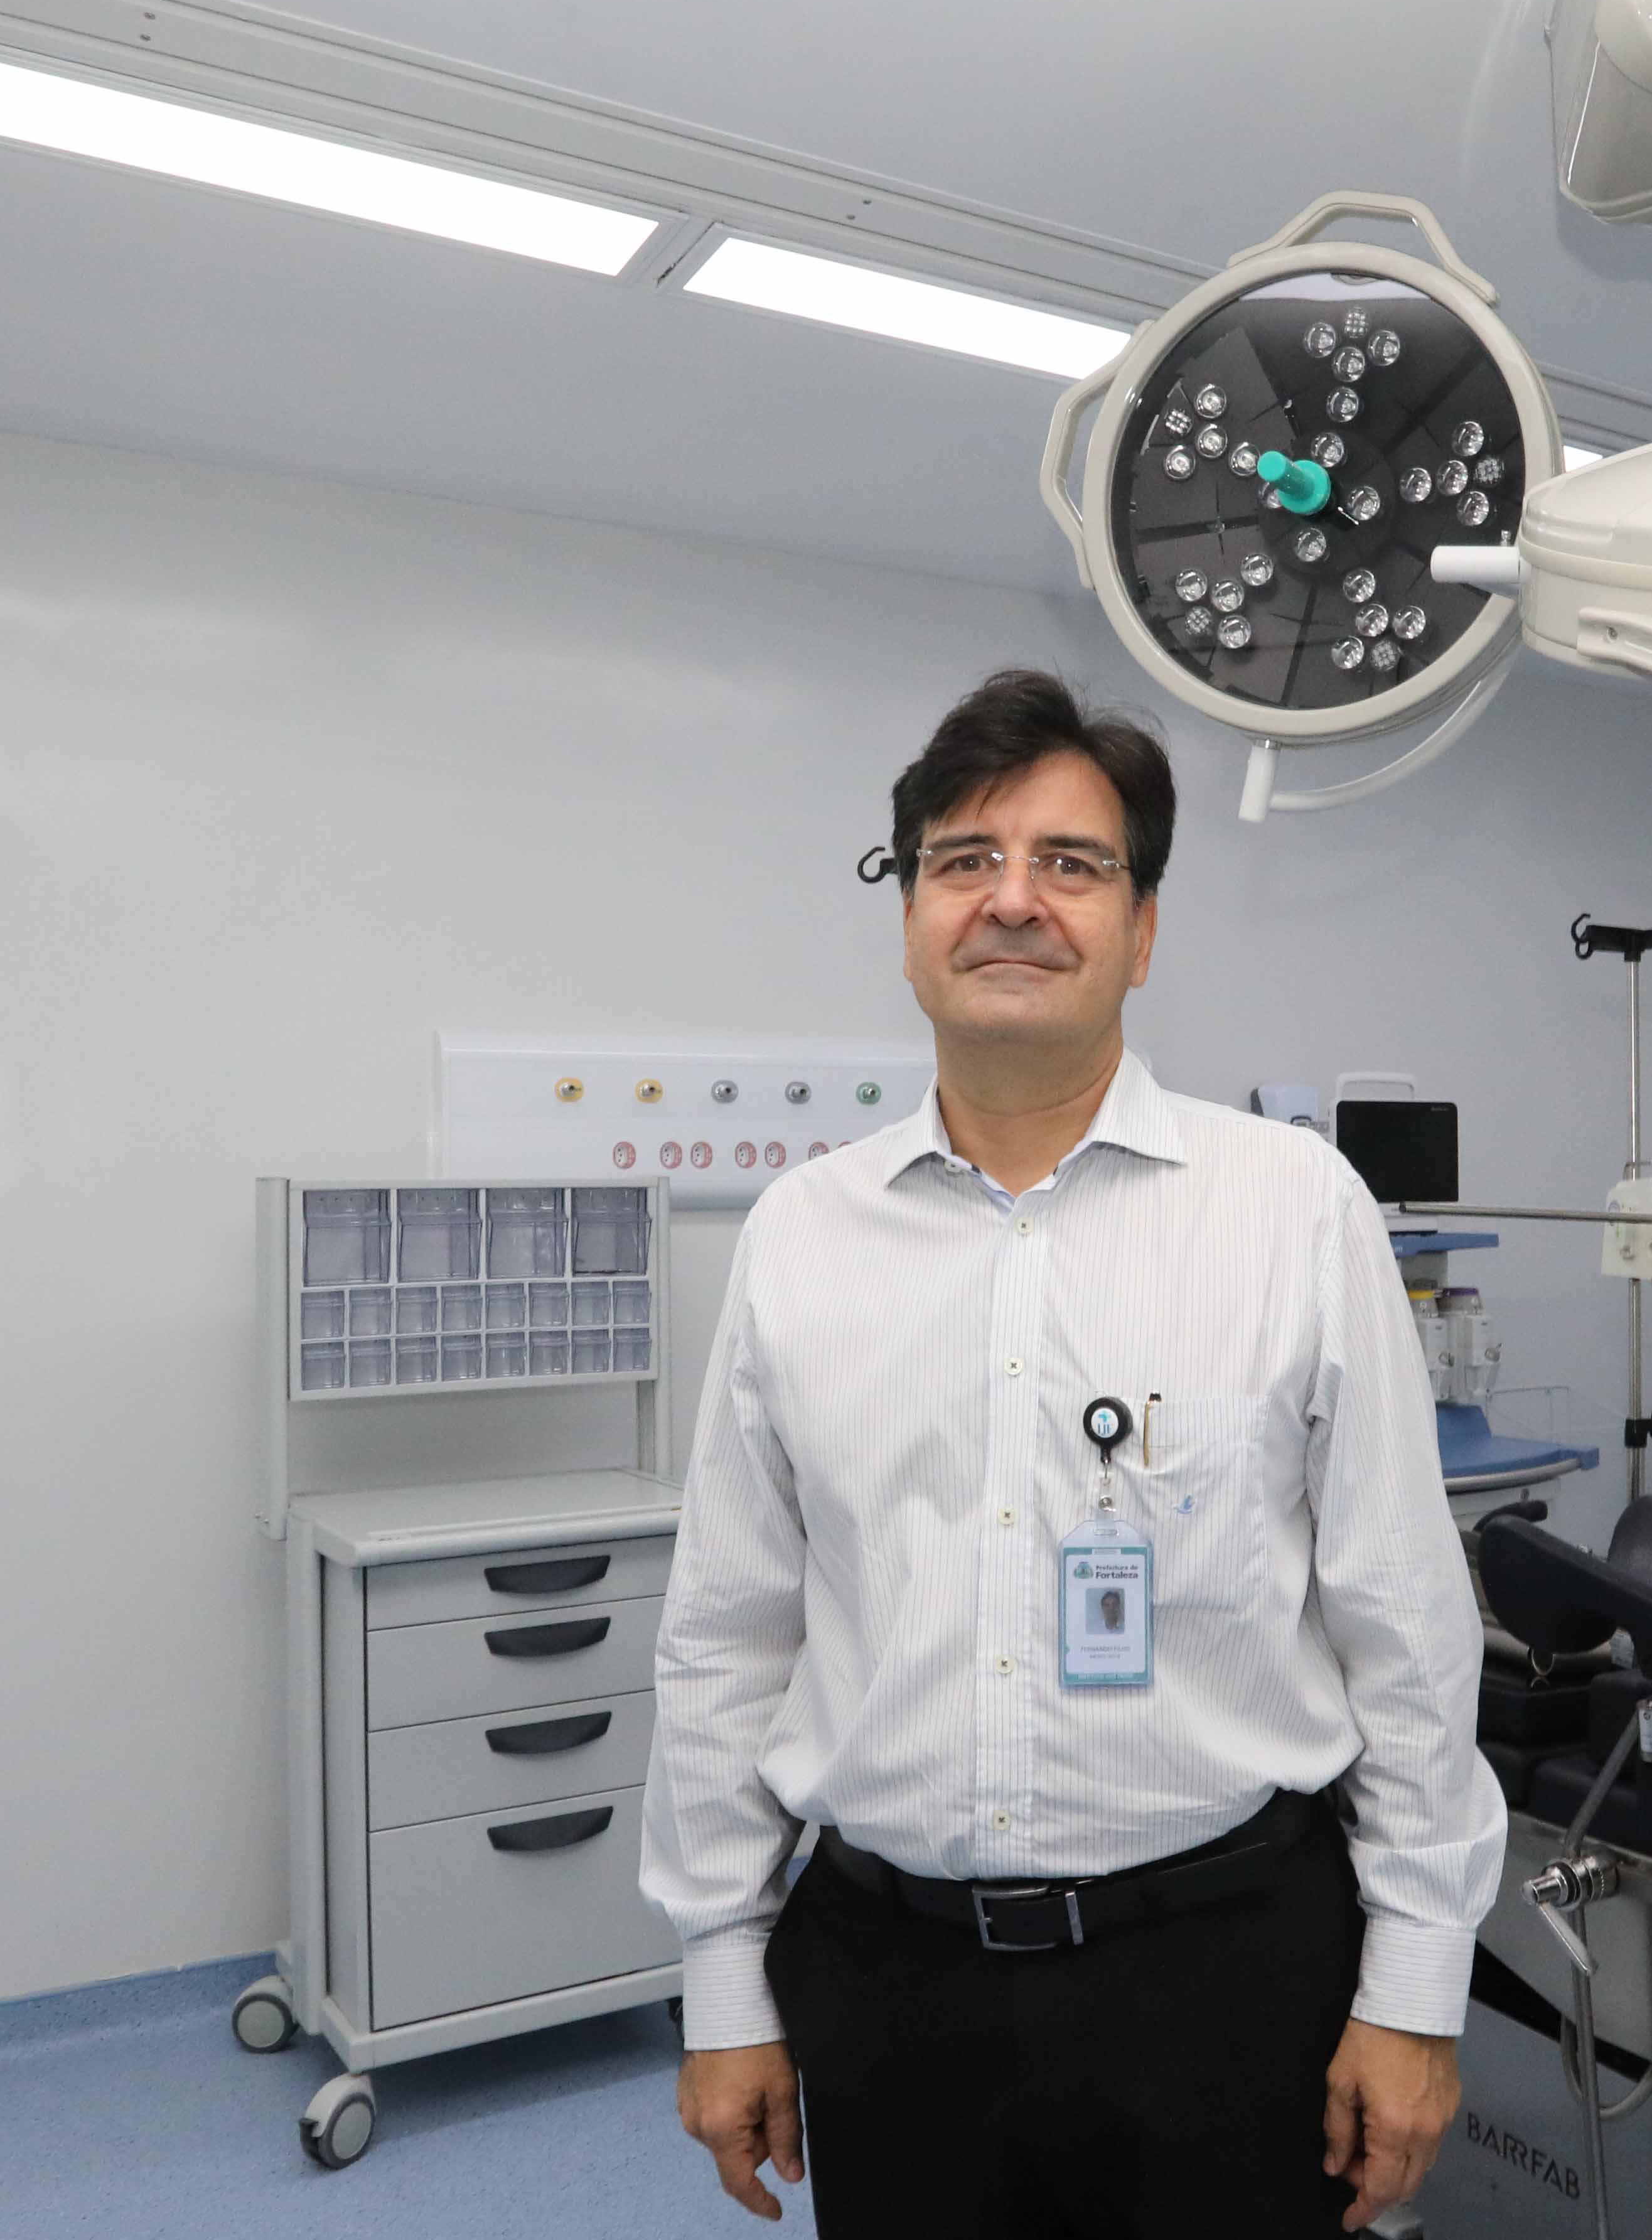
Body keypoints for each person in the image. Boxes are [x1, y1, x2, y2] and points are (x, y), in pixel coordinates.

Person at [639, 669, 1504, 2239]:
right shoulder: (801, 1235)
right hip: (886, 1983)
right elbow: (726, 1635)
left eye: (1070, 862)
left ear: (1141, 926)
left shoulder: (1293, 1210)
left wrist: (1415, 1984)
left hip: (1228, 1971)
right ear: (909, 916)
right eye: (963, 859)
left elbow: (1405, 1628)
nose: (1012, 900)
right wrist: (721, 1979)